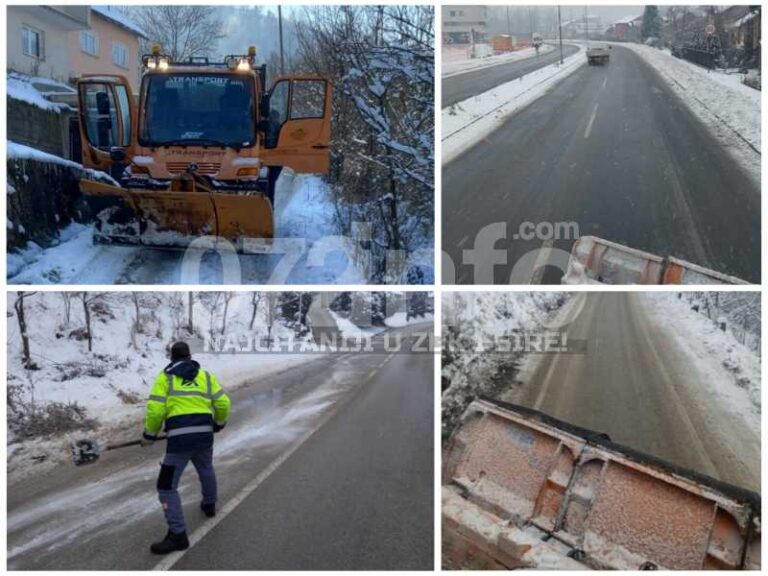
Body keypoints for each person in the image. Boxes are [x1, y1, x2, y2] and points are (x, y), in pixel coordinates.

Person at [141, 341, 231, 554]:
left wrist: (149, 435)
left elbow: (155, 410)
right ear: (190, 357)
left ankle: (178, 535)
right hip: (204, 435)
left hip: (180, 440)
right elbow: (223, 403)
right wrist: (218, 424)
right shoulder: (205, 376)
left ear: (171, 358)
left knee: (166, 486)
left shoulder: (165, 377)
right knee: (206, 468)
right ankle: (209, 505)